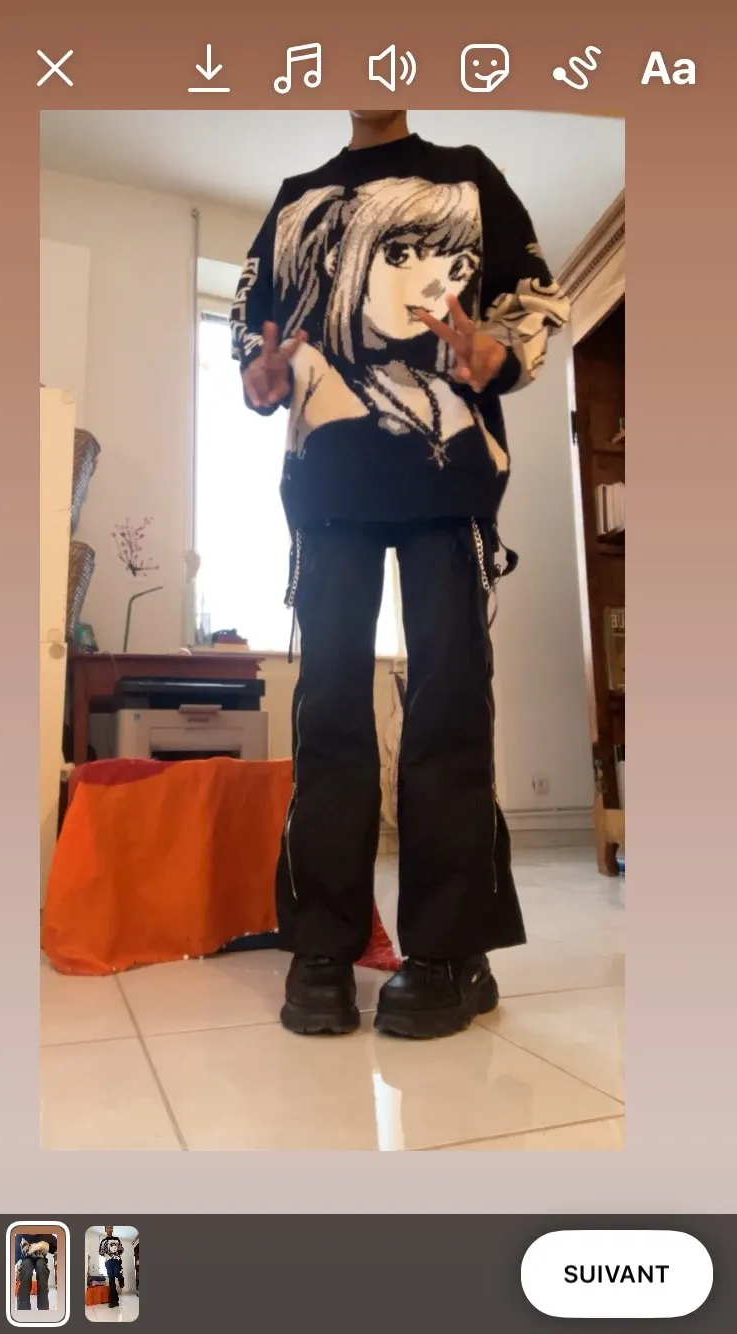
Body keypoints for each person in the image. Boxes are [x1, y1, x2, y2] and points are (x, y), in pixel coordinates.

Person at [231, 110, 569, 1040]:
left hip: (449, 486)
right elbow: (252, 326)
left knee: (449, 711)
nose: (430, 274)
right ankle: (321, 947)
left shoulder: (470, 174)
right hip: (328, 488)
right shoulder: (296, 200)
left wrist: (500, 352)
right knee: (331, 714)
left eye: (442, 259)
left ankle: (452, 953)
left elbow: (534, 299)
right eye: (403, 254)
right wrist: (259, 376)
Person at [14, 1232, 56, 1311]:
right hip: (26, 1259)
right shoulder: (20, 1235)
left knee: (41, 1265)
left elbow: (56, 1247)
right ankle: (23, 1309)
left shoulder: (45, 1235)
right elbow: (15, 1254)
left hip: (41, 1259)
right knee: (26, 1266)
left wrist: (46, 1245)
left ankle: (43, 1308)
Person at [99, 1225, 125, 1309]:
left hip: (116, 1260)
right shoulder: (103, 1241)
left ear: (112, 1230)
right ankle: (114, 1302)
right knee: (111, 1282)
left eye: (111, 1228)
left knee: (117, 1273)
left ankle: (121, 1278)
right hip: (108, 1262)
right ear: (105, 1230)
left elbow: (121, 1250)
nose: (109, 1229)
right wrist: (107, 1256)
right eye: (108, 1228)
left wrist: (120, 1249)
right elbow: (100, 1252)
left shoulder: (117, 1239)